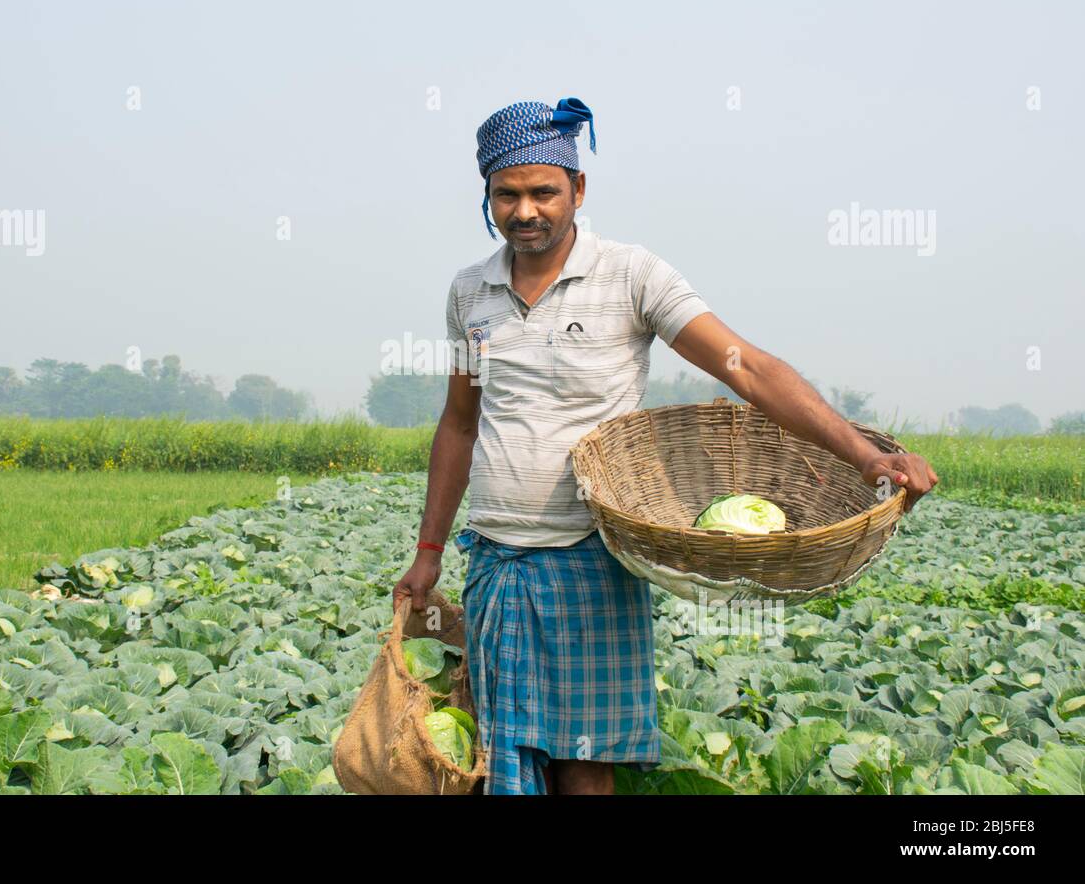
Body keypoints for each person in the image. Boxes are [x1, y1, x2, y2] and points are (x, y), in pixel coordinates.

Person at [391, 96, 939, 795]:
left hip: (591, 557)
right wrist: (430, 550)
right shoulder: (470, 292)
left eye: (543, 192)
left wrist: (864, 454)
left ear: (578, 191)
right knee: (502, 761)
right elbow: (460, 422)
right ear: (488, 197)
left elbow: (747, 367)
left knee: (584, 766)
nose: (526, 210)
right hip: (497, 558)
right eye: (507, 194)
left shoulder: (632, 275)